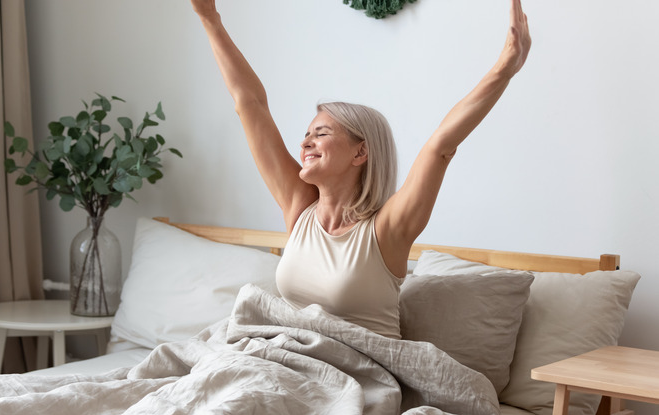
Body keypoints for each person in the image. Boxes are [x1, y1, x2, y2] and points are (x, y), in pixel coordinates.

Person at [191, 0, 531, 339]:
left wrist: (504, 68)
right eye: (306, 135)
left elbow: (440, 146)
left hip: (360, 374)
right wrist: (210, 19)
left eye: (321, 134)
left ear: (361, 152)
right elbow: (251, 105)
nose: (305, 144)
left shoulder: (387, 229)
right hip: (287, 359)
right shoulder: (300, 210)